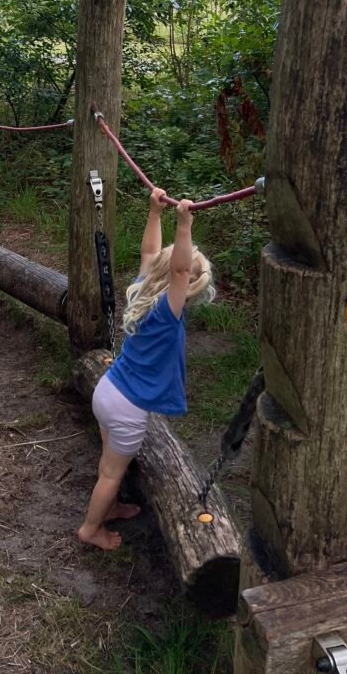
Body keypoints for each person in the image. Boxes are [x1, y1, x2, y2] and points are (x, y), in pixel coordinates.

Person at [77, 187, 215, 550]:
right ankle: (91, 529)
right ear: (185, 285)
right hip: (127, 407)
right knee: (111, 472)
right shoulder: (169, 313)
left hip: (108, 390)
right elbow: (181, 268)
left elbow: (150, 252)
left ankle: (112, 507)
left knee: (109, 462)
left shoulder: (141, 288)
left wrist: (155, 213)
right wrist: (183, 224)